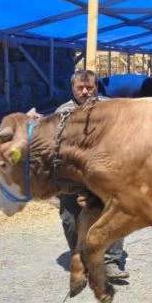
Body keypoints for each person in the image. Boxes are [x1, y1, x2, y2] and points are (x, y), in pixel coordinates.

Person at [56, 69, 129, 279]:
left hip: (105, 174)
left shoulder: (111, 108)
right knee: (71, 219)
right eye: (80, 87)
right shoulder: (63, 113)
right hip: (73, 177)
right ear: (73, 88)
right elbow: (58, 150)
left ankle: (110, 262)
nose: (85, 92)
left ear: (97, 87)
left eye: (90, 87)